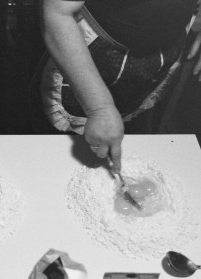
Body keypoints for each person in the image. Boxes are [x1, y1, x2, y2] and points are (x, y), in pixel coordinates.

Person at [35, 0, 201, 173]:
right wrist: (100, 108)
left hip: (158, 58)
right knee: (58, 162)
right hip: (87, 57)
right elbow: (57, 12)